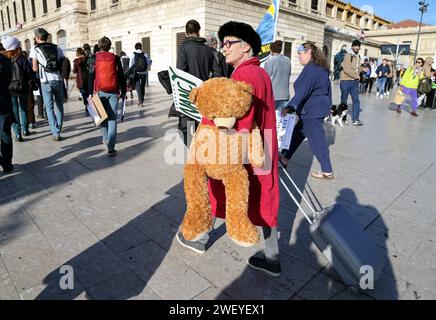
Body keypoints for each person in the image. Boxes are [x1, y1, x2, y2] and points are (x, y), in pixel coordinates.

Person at [176, 21, 281, 277]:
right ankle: (272, 257)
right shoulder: (260, 72)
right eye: (222, 43)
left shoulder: (244, 75)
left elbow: (238, 120)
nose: (223, 48)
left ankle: (199, 237)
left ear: (246, 47)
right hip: (262, 146)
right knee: (263, 201)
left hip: (242, 151)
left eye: (228, 43)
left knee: (217, 191)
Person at [279, 42, 334, 180]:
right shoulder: (321, 68)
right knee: (297, 134)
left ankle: (327, 170)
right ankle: (285, 157)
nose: (298, 56)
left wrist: (290, 107)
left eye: (300, 53)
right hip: (314, 109)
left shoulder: (311, 69)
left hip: (312, 111)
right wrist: (328, 106)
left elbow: (302, 91)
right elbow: (328, 90)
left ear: (309, 52)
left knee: (317, 141)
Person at [176, 19, 217, 146]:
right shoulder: (209, 50)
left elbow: (180, 72)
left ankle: (194, 154)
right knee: (203, 124)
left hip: (188, 94)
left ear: (186, 33)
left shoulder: (183, 48)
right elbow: (217, 73)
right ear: (198, 32)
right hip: (205, 94)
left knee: (186, 127)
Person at [91, 36, 126, 156]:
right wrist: (124, 90)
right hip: (113, 92)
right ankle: (111, 148)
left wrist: (90, 93)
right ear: (110, 46)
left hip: (99, 91)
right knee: (112, 119)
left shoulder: (94, 57)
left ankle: (105, 139)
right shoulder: (115, 58)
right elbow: (121, 75)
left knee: (101, 117)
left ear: (99, 46)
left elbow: (91, 75)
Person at [30, 27, 65, 141]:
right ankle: (59, 127)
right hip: (58, 79)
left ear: (38, 37)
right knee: (60, 104)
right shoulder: (57, 48)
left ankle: (55, 132)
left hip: (45, 81)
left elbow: (34, 68)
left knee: (49, 108)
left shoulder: (35, 49)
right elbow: (63, 62)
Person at [1, 36, 33, 142]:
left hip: (10, 89)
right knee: (23, 109)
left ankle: (18, 133)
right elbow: (29, 73)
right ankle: (25, 129)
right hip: (22, 87)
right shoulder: (22, 58)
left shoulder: (5, 60)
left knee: (14, 111)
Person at [264, 40, 292, 112]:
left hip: (272, 96)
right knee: (281, 121)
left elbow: (265, 80)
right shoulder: (288, 60)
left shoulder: (269, 61)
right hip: (285, 95)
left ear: (271, 50)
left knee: (272, 121)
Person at [339, 40, 362, 126]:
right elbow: (346, 69)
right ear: (352, 46)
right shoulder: (347, 55)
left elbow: (357, 69)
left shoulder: (358, 57)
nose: (356, 47)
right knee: (344, 100)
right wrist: (356, 76)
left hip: (354, 82)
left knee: (356, 100)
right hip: (345, 81)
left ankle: (355, 119)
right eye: (355, 46)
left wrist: (361, 70)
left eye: (358, 46)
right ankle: (342, 117)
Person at [0, 45, 14, 173]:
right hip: (3, 101)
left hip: (3, 101)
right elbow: (10, 79)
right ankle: (6, 163)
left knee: (5, 133)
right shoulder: (5, 60)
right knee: (5, 133)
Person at [128, 43, 150, 107]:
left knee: (138, 87)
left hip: (136, 73)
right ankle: (141, 101)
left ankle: (140, 102)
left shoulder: (133, 54)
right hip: (144, 73)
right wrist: (147, 68)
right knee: (143, 87)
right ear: (141, 47)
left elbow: (130, 64)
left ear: (135, 47)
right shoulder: (144, 54)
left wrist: (130, 71)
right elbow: (148, 62)